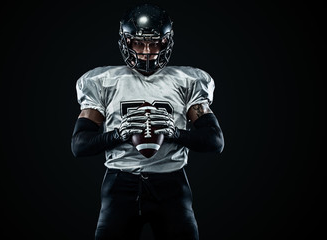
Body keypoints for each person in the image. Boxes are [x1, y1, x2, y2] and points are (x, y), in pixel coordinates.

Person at [71, 3, 224, 240]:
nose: (146, 51)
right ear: (126, 42)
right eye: (138, 43)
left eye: (155, 43)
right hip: (120, 184)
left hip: (171, 184)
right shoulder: (103, 81)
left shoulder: (187, 81)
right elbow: (79, 145)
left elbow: (215, 141)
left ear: (166, 42)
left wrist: (175, 133)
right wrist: (117, 135)